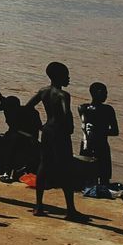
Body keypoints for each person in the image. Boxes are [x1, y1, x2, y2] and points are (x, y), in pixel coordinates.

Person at [26, 62, 87, 221]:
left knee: (44, 165)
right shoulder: (63, 95)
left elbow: (27, 107)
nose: (68, 78)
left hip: (47, 131)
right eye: (66, 75)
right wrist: (70, 127)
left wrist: (38, 125)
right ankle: (70, 210)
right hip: (60, 133)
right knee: (66, 168)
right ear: (58, 77)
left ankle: (38, 206)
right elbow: (66, 113)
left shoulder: (43, 91)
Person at [77, 82, 120, 186]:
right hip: (101, 146)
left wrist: (96, 131)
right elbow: (115, 131)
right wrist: (101, 131)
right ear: (97, 93)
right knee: (102, 177)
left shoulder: (83, 108)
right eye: (104, 93)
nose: (106, 95)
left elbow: (115, 131)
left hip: (88, 145)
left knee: (87, 177)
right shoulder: (108, 110)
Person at [0, 94, 41, 182]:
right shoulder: (26, 111)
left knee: (12, 141)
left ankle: (7, 171)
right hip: (29, 138)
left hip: (23, 138)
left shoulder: (17, 113)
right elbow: (39, 127)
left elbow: (15, 128)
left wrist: (29, 136)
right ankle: (13, 170)